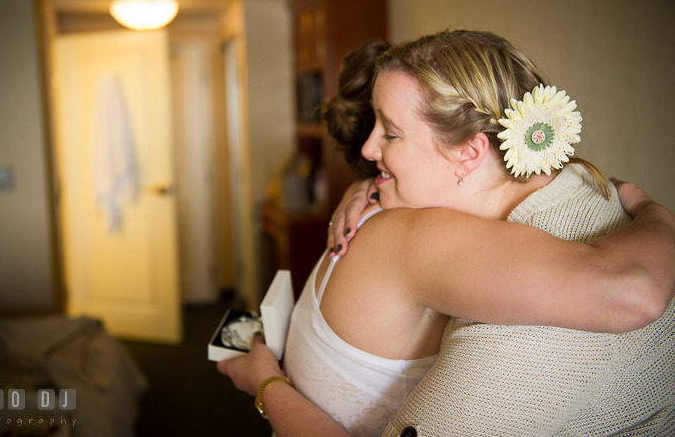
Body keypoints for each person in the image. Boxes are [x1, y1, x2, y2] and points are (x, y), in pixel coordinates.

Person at [218, 31, 675, 436]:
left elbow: (633, 290)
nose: (367, 147)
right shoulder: (414, 217)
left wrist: (265, 383)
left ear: (469, 153)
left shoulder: (431, 241)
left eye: (391, 133)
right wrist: (373, 184)